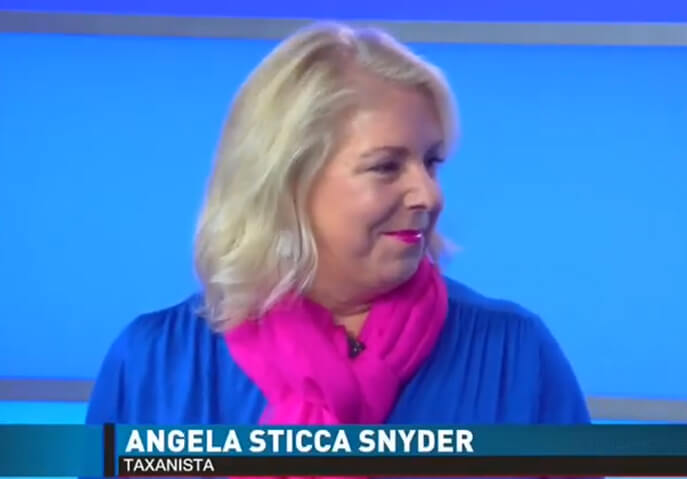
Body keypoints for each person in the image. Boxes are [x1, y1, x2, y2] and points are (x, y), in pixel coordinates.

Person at [86, 22, 589, 429]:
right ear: (287, 182)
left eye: (431, 162)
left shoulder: (515, 357)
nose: (429, 195)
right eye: (386, 166)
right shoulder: (154, 365)